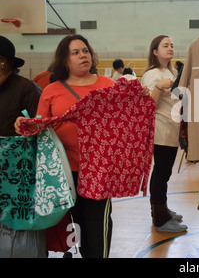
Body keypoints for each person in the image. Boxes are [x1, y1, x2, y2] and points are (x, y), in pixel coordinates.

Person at [15, 34, 150, 258]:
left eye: (85, 51)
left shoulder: (107, 85)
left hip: (99, 171)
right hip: (63, 171)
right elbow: (41, 126)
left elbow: (124, 119)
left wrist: (140, 95)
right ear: (64, 60)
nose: (83, 55)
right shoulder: (52, 90)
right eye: (75, 52)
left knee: (97, 227)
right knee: (74, 225)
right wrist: (24, 124)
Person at [0, 35, 45, 258]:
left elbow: (42, 132)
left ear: (3, 62)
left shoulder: (28, 89)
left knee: (18, 229)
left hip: (19, 176)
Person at [141, 35, 187, 233]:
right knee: (161, 173)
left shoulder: (171, 70)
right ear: (155, 51)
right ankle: (160, 219)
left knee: (164, 173)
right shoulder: (153, 75)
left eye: (172, 45)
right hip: (160, 130)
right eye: (165, 45)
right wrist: (160, 87)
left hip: (171, 129)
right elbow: (149, 105)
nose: (170, 48)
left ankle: (163, 210)